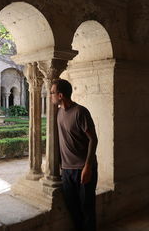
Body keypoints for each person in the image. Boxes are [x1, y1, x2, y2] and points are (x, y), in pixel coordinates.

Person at [50, 79, 98, 231]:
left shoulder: (80, 112)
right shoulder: (59, 113)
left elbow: (93, 139)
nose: (50, 95)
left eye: (52, 92)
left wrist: (88, 167)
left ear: (60, 95)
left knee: (87, 208)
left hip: (83, 168)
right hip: (67, 170)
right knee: (73, 207)